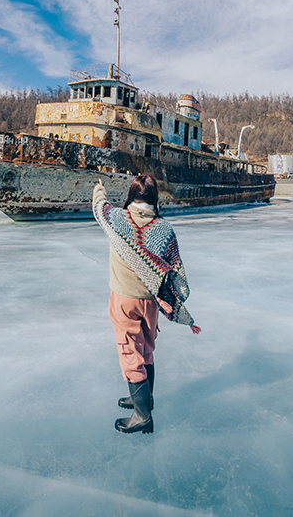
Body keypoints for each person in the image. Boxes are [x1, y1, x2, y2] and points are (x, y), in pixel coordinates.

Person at [93, 175, 200, 434]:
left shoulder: (115, 218)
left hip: (124, 300)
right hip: (151, 302)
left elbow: (98, 206)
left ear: (132, 195)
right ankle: (144, 399)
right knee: (147, 349)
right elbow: (175, 268)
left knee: (130, 353)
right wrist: (174, 298)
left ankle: (142, 416)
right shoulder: (164, 229)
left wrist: (99, 189)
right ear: (154, 198)